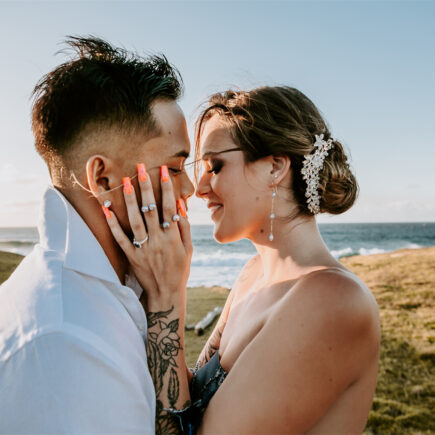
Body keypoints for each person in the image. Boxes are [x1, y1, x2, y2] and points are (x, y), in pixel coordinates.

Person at [107, 86, 381, 433]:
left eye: (215, 165)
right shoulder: (253, 275)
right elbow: (188, 400)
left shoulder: (333, 301)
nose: (199, 187)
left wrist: (168, 297)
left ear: (275, 167)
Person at [0, 36, 194, 433]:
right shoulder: (65, 343)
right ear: (103, 178)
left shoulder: (110, 292)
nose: (189, 189)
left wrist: (166, 299)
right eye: (174, 168)